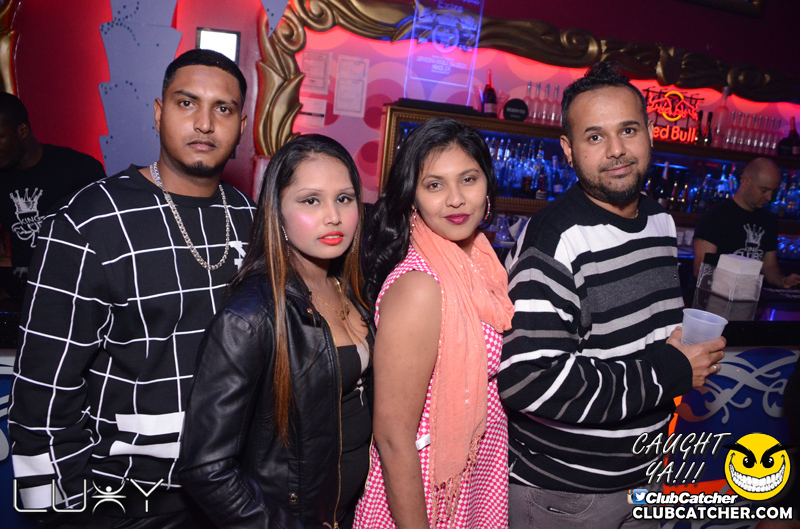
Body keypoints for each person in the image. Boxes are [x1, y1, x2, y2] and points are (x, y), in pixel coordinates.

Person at [8, 48, 255, 528]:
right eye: (187, 103)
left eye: (223, 109)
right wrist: (59, 514)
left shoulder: (251, 219)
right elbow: (42, 394)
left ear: (241, 126)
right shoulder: (88, 224)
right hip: (123, 500)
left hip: (229, 495)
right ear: (159, 113)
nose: (205, 123)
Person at [498, 62, 726, 529]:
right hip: (566, 494)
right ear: (569, 149)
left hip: (646, 478)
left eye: (628, 130)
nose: (617, 150)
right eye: (595, 136)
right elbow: (527, 381)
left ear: (650, 134)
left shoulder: (660, 221)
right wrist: (669, 370)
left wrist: (678, 349)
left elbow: (639, 335)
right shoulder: (556, 237)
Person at [179, 134, 373, 529]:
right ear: (277, 213)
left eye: (344, 198)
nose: (333, 216)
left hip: (353, 514)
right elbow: (206, 469)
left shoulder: (351, 288)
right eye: (311, 201)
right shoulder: (250, 317)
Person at [354, 117, 514, 528]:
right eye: (435, 185)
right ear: (413, 198)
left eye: (468, 179)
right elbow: (392, 438)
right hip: (425, 493)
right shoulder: (420, 286)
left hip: (474, 480)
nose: (456, 199)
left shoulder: (481, 264)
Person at [0, 92, 106, 297]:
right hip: (23, 298)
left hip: (79, 294)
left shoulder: (78, 168)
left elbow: (108, 235)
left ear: (22, 130)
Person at [693, 157, 800, 288]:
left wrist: (782, 281)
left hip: (748, 297)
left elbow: (769, 266)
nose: (768, 197)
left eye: (773, 191)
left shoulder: (769, 221)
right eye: (764, 190)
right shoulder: (715, 216)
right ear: (745, 181)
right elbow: (702, 269)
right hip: (713, 297)